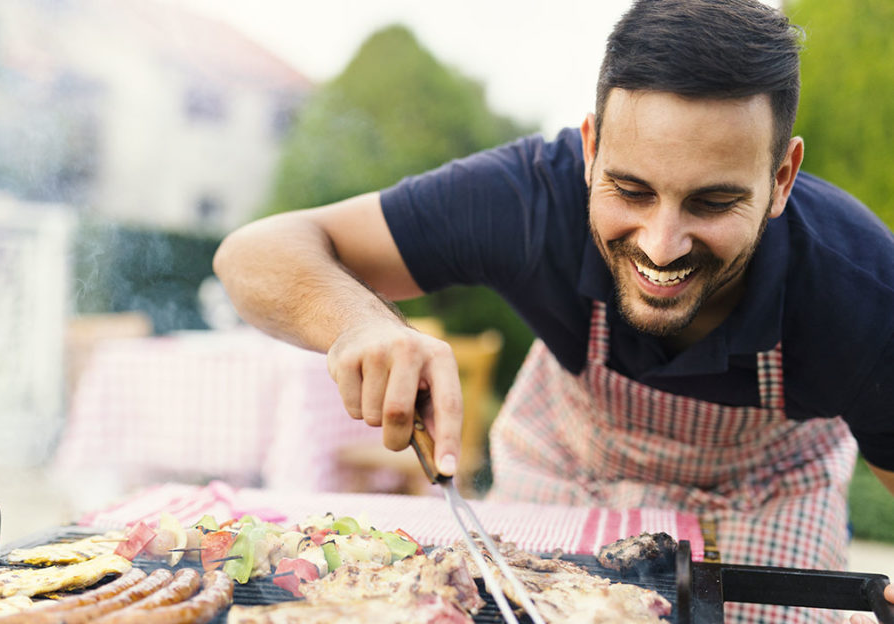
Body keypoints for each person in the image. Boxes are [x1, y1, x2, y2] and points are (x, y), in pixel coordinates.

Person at [213, 1, 894, 622]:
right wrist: (363, 322)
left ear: (781, 178)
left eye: (712, 203)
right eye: (630, 191)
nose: (661, 245)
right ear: (591, 148)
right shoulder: (530, 200)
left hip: (763, 503)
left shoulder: (859, 287)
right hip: (568, 470)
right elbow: (254, 254)